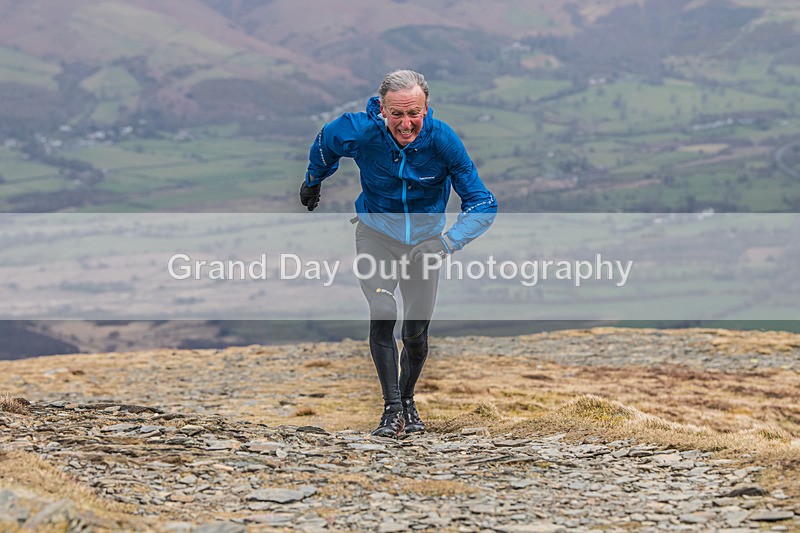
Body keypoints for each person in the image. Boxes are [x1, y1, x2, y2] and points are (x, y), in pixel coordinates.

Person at [300, 69, 497, 438]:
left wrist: (446, 243)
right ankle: (391, 410)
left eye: (414, 114)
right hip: (376, 235)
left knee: (416, 334)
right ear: (382, 111)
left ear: (426, 108)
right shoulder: (361, 130)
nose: (406, 124)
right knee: (383, 310)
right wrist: (313, 180)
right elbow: (327, 141)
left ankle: (408, 402)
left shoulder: (443, 141)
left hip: (425, 246)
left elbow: (483, 203)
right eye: (397, 114)